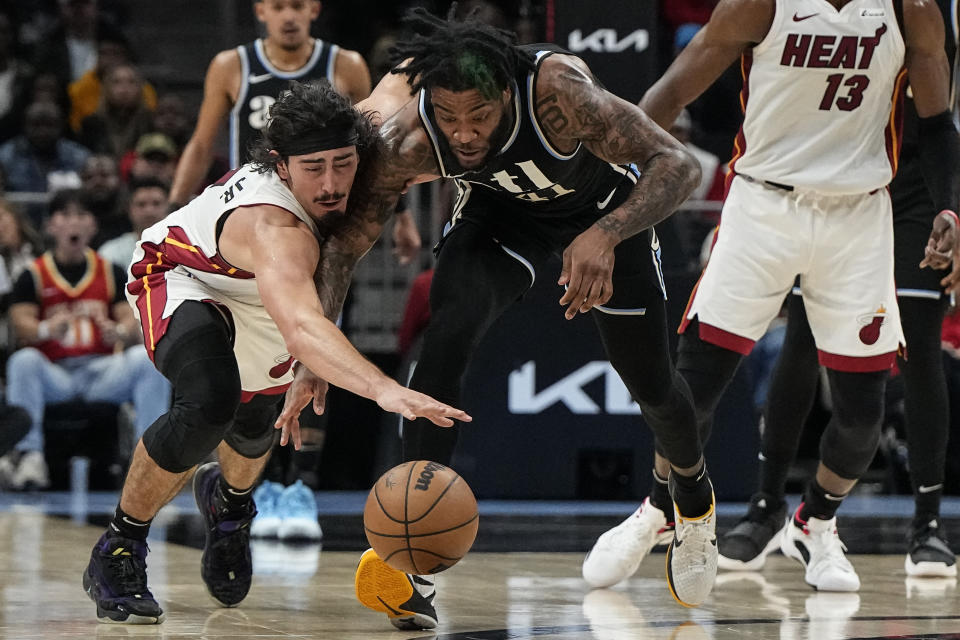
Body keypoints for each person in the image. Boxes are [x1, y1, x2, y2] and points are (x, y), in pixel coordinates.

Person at [277, 8, 713, 628]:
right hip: (500, 215)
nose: (464, 134)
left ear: (507, 94)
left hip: (603, 211)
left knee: (651, 383)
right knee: (446, 336)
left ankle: (692, 496)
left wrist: (606, 235)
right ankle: (414, 566)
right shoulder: (411, 139)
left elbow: (680, 164)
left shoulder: (559, 93)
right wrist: (313, 354)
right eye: (449, 117)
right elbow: (345, 248)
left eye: (479, 116)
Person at [588, 0, 960, 594]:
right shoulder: (761, 4)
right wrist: (604, 193)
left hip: (858, 214)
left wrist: (949, 205)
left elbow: (938, 125)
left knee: (864, 414)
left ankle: (814, 522)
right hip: (763, 205)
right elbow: (672, 92)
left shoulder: (910, 11)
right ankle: (660, 510)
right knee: (696, 385)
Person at [81, 80, 470, 625]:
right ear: (281, 166)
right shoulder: (276, 226)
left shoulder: (369, 147)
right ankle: (118, 550)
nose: (332, 183)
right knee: (209, 402)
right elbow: (307, 329)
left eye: (343, 163)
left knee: (256, 421)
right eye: (314, 168)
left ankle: (231, 507)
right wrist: (384, 388)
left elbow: (399, 79)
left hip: (267, 295)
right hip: (188, 275)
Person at [718, 0, 960, 580]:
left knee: (921, 346)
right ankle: (765, 507)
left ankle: (927, 525)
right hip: (840, 186)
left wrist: (953, 207)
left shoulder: (925, 11)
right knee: (803, 339)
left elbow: (940, 124)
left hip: (919, 185)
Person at [4, 189, 170, 490]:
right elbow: (21, 324)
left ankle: (150, 461)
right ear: (51, 225)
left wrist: (118, 331)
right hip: (56, 374)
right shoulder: (34, 274)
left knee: (147, 360)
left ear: (93, 226)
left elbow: (129, 320)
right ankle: (28, 455)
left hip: (101, 371)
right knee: (23, 361)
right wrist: (45, 329)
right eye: (65, 216)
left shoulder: (110, 270)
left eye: (81, 215)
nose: (74, 224)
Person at [167, 0, 371, 207]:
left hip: (323, 199)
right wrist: (173, 206)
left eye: (297, 6)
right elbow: (202, 146)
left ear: (314, 9)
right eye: (278, 7)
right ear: (261, 11)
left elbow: (369, 143)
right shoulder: (230, 65)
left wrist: (396, 212)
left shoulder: (347, 65)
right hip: (252, 201)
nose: (289, 17)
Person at [97, 176, 168, 268]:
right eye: (141, 204)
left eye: (156, 203)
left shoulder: (183, 249)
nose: (149, 211)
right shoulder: (111, 253)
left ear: (168, 208)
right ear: (129, 209)